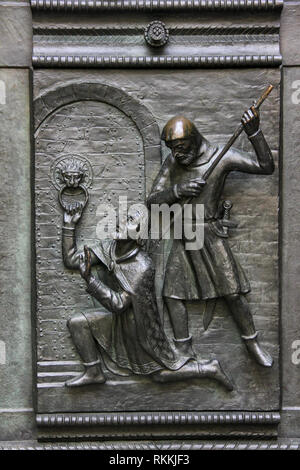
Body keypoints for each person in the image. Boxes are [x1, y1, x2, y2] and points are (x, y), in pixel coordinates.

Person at [147, 106, 274, 367]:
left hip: (210, 233)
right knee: (173, 294)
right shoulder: (173, 162)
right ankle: (184, 349)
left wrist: (255, 133)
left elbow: (265, 166)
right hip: (185, 233)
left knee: (232, 291)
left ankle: (252, 343)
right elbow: (152, 200)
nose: (177, 154)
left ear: (194, 140)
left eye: (181, 147)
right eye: (173, 149)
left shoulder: (222, 157)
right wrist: (177, 191)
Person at [61, 204, 233, 390]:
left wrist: (90, 280)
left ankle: (209, 369)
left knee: (160, 376)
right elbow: (72, 260)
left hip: (139, 331)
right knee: (77, 323)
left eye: (130, 221)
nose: (120, 223)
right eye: (124, 218)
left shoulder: (142, 267)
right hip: (118, 321)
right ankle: (93, 372)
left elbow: (118, 304)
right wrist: (69, 225)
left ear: (140, 235)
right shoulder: (110, 247)